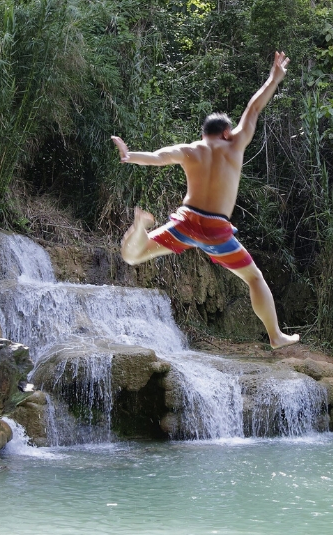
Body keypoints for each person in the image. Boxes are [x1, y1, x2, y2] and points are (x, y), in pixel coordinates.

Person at [111, 51, 300, 349]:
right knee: (254, 278)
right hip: (215, 231)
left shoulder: (191, 149)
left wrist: (130, 155)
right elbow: (253, 110)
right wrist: (273, 78)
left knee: (132, 256)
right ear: (226, 132)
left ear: (204, 133)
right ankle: (275, 335)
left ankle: (139, 230)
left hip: (186, 222)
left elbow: (160, 157)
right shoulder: (235, 143)